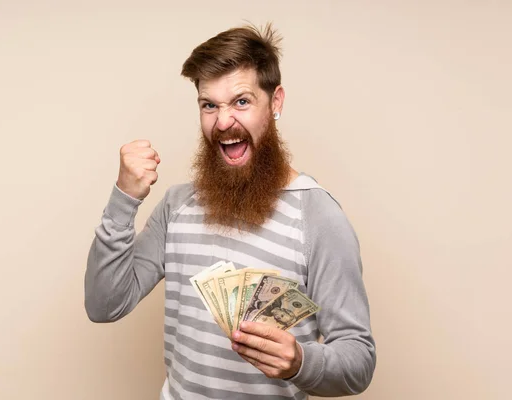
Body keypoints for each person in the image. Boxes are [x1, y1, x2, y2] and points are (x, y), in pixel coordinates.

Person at [85, 23, 376, 399]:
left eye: (241, 101)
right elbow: (104, 304)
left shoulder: (318, 217)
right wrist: (124, 197)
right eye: (210, 105)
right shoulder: (177, 206)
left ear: (275, 103)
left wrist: (301, 362)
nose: (223, 122)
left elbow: (359, 359)